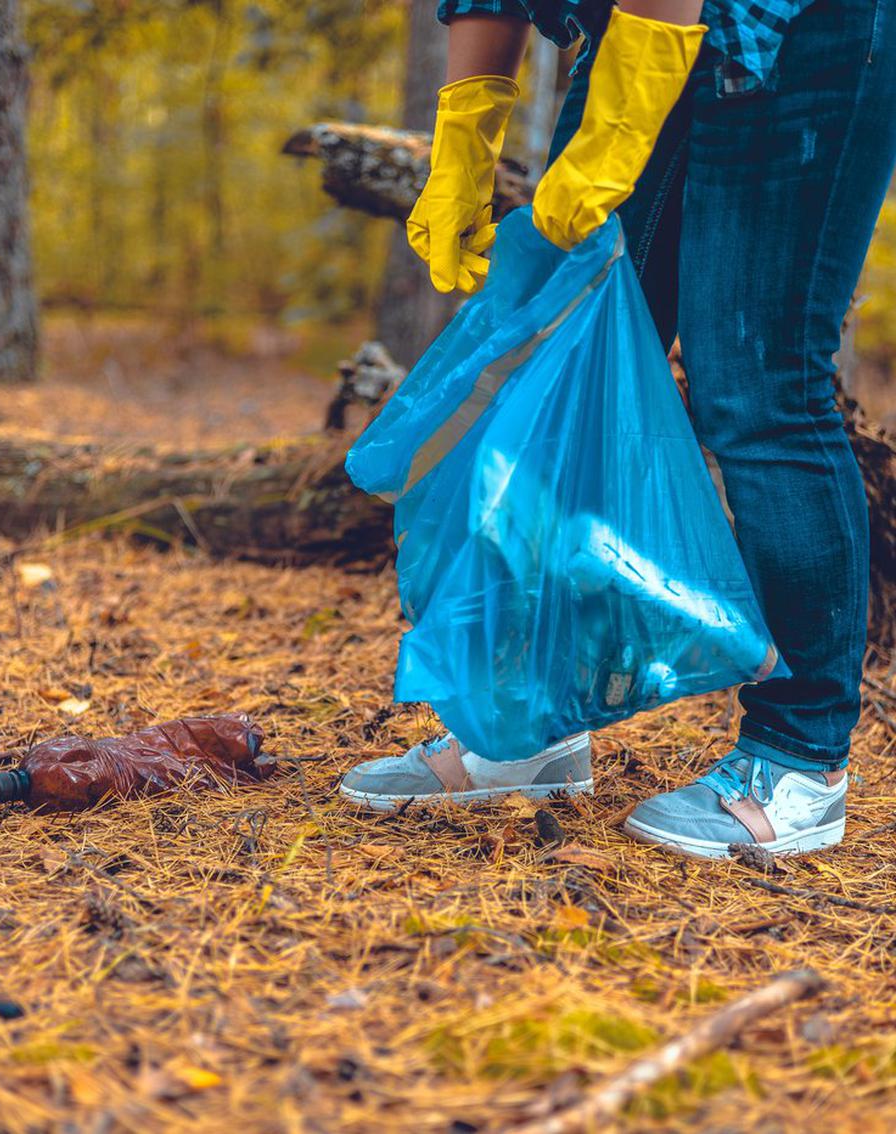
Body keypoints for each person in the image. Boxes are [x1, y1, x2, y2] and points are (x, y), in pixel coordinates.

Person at [338, 0, 896, 859]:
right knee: (557, 356)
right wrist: (465, 130)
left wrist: (619, 126)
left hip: (804, 32)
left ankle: (799, 761)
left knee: (758, 380)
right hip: (637, 38)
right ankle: (525, 720)